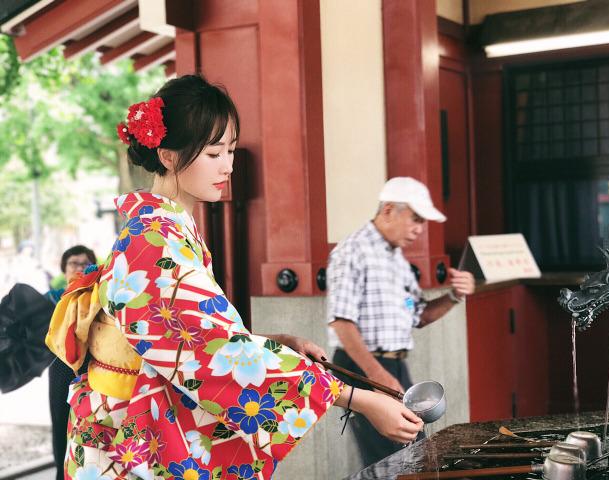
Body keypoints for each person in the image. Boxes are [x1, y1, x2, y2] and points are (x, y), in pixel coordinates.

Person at [45, 75, 422, 480]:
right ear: (169, 156)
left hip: (130, 430)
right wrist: (356, 399)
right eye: (213, 153)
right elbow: (214, 352)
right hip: (126, 445)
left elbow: (193, 340)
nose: (227, 166)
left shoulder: (163, 231)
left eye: (231, 150)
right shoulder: (154, 243)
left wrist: (273, 343)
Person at [326, 176, 476, 467]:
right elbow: (341, 323)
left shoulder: (398, 261)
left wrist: (455, 296)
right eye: (415, 220)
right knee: (391, 460)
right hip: (363, 367)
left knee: (413, 453)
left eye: (423, 223)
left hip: (393, 367)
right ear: (388, 210)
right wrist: (378, 376)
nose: (419, 230)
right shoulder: (352, 251)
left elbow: (419, 315)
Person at [45, 245, 97, 480]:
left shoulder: (97, 296)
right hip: (60, 369)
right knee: (60, 422)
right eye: (73, 263)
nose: (79, 267)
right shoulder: (51, 300)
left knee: (88, 427)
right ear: (64, 270)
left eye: (85, 263)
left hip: (91, 370)